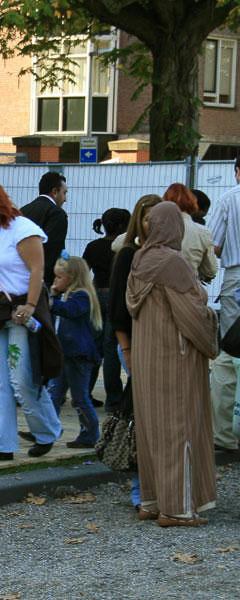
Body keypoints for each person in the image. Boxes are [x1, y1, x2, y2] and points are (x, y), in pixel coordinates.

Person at [127, 202, 218, 527]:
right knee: (178, 429)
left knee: (152, 430)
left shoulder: (140, 259)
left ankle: (151, 501)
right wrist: (211, 324)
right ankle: (176, 509)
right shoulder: (173, 262)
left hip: (146, 358)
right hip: (174, 358)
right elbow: (191, 315)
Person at [0, 181, 62, 462]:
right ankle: (1, 443)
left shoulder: (24, 229)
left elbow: (37, 269)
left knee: (21, 379)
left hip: (20, 310)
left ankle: (46, 431)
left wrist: (30, 306)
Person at [108, 194, 162, 512]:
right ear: (137, 221)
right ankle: (140, 487)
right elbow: (117, 309)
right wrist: (126, 348)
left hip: (155, 344)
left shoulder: (164, 255)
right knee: (141, 415)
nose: (152, 223)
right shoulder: (129, 254)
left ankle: (150, 487)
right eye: (147, 217)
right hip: (134, 342)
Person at [47, 255, 101, 448]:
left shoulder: (81, 296)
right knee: (53, 393)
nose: (55, 281)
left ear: (72, 278)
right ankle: (46, 429)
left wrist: (52, 300)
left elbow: (70, 310)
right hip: (66, 353)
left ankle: (90, 435)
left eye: (59, 277)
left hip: (78, 355)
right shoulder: (68, 296)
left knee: (79, 398)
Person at [83, 208, 130, 411]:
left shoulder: (93, 246)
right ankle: (114, 399)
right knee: (111, 347)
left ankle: (84, 394)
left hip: (95, 296)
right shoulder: (124, 248)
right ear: (122, 226)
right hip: (116, 296)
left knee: (94, 345)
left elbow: (83, 271)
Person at [208, 157, 240, 455]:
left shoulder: (229, 199)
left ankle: (226, 432)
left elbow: (214, 246)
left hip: (236, 277)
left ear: (237, 172)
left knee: (231, 355)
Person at [20, 171, 68, 287]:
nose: (65, 199)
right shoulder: (57, 213)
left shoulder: (23, 211)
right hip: (43, 281)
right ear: (55, 192)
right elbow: (53, 249)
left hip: (20, 276)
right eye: (64, 193)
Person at [162, 183, 217, 282]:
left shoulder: (153, 226)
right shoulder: (202, 232)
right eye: (200, 216)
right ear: (193, 204)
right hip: (188, 285)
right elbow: (210, 271)